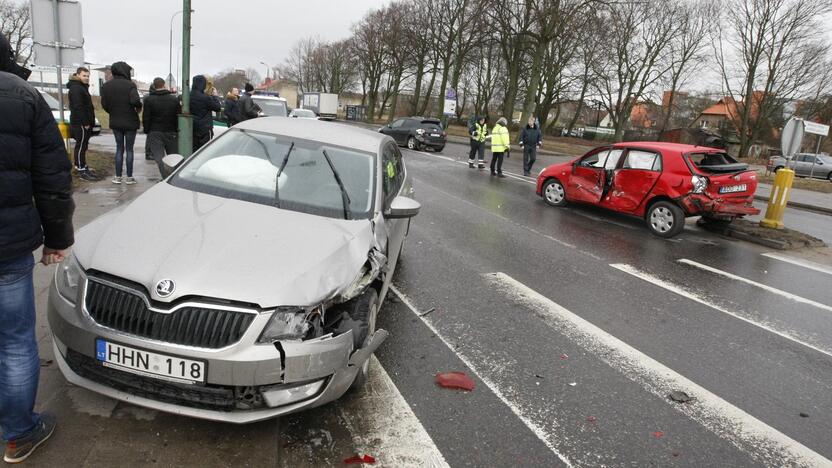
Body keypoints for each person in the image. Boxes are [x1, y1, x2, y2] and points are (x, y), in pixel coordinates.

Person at [0, 34, 74, 464]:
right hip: (7, 245)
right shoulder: (23, 96)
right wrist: (58, 237)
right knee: (13, 342)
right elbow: (52, 175)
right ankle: (18, 433)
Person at [101, 61, 142, 185]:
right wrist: (139, 106)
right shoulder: (130, 85)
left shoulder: (106, 86)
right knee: (129, 149)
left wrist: (113, 111)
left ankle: (117, 177)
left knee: (119, 148)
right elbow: (135, 101)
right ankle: (129, 177)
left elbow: (105, 104)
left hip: (115, 121)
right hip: (130, 122)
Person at [142, 77, 181, 178]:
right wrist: (177, 130)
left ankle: (165, 177)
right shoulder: (173, 99)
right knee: (173, 156)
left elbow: (146, 117)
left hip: (155, 131)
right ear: (164, 85)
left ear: (154, 87)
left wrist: (147, 130)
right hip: (171, 131)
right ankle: (174, 177)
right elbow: (178, 115)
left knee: (159, 157)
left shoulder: (149, 100)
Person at [66, 67, 99, 181]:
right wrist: (85, 122)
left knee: (84, 146)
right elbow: (78, 107)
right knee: (80, 146)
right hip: (80, 122)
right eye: (84, 76)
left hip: (84, 122)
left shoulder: (82, 87)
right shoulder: (76, 88)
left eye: (88, 76)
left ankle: (84, 167)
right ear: (78, 75)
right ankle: (80, 169)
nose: (86, 78)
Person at [190, 74, 221, 152]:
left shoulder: (188, 96)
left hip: (192, 128)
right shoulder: (205, 98)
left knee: (194, 151)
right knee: (204, 151)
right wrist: (215, 96)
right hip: (205, 129)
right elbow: (218, 108)